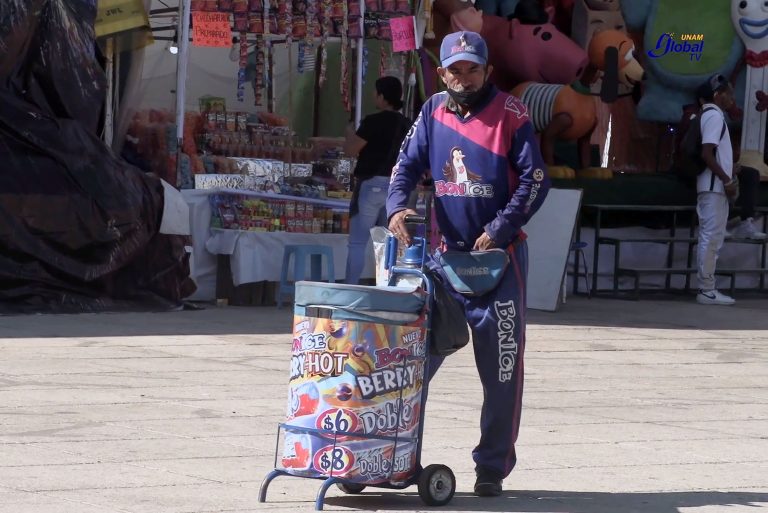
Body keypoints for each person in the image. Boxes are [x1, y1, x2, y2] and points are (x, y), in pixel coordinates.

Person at [386, 31, 551, 496]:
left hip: (499, 264)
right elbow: (404, 167)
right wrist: (397, 208)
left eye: (472, 69)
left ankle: (491, 467)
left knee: (501, 373)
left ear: (487, 71)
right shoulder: (431, 110)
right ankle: (394, 453)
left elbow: (536, 180)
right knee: (412, 364)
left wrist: (499, 228)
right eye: (454, 70)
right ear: (441, 73)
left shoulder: (512, 114)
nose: (463, 78)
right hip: (442, 262)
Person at [343, 76, 410, 284]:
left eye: (375, 93)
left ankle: (351, 286)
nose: (374, 96)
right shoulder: (408, 124)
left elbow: (351, 149)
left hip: (370, 184)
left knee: (357, 243)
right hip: (396, 187)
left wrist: (349, 134)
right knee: (387, 243)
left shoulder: (372, 121)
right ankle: (386, 286)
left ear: (382, 96)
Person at [695, 74, 739, 305]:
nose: (731, 97)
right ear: (717, 95)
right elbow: (707, 153)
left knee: (712, 238)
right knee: (710, 238)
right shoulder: (713, 116)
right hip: (713, 186)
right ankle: (706, 289)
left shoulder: (712, 115)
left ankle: (707, 287)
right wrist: (727, 180)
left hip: (712, 185)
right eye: (727, 93)